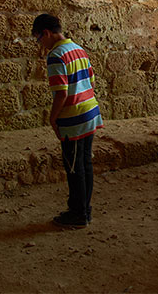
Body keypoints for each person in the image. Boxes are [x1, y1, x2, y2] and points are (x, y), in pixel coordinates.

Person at [32, 13, 103, 228]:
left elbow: (61, 93)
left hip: (73, 118)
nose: (40, 44)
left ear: (46, 33)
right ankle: (85, 209)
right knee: (85, 163)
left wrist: (53, 119)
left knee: (74, 167)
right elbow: (91, 79)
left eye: (38, 39)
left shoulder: (56, 56)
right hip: (90, 112)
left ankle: (78, 214)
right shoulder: (78, 49)